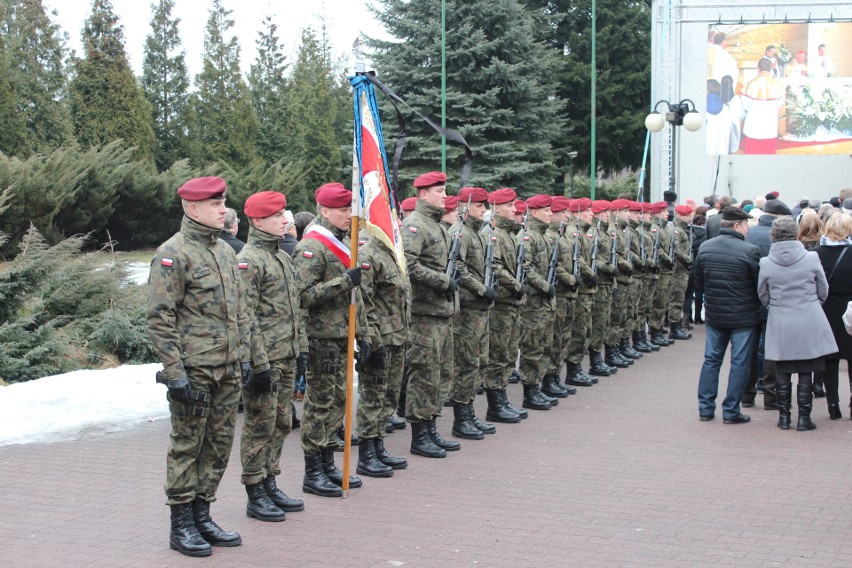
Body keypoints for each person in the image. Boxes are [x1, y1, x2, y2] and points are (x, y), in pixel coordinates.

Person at [147, 176, 251, 557]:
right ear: (193, 209)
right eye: (215, 204)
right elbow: (161, 318)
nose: (224, 210)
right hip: (195, 370)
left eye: (224, 202)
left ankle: (203, 514)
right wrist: (174, 373)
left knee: (219, 445)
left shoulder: (224, 252)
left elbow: (240, 312)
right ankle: (181, 525)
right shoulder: (173, 254)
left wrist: (245, 357)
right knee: (187, 446)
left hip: (227, 368)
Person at [293, 183, 369, 497]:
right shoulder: (313, 247)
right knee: (319, 405)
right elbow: (303, 296)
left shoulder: (341, 241)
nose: (348, 216)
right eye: (341, 210)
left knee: (338, 402)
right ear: (325, 211)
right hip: (320, 337)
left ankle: (327, 464)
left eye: (349, 209)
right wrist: (342, 282)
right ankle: (313, 472)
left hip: (339, 336)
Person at [236, 191, 306, 521]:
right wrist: (258, 363)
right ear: (256, 221)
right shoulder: (250, 260)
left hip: (287, 354)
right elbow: (244, 315)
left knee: (280, 422)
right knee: (259, 426)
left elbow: (294, 309)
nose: (284, 220)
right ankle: (254, 490)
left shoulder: (280, 256)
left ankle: (270, 480)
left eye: (284, 215)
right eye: (276, 215)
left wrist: (301, 349)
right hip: (267, 359)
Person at [402, 171, 461, 458]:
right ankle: (419, 435)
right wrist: (442, 281)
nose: (445, 195)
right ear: (424, 194)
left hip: (441, 312)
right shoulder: (415, 225)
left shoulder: (438, 226)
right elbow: (408, 265)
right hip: (424, 314)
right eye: (440, 191)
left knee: (440, 373)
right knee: (423, 374)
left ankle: (431, 428)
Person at [758, 216, 837, 431]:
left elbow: (762, 294)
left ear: (773, 235)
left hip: (781, 318)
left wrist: (776, 306)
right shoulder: (811, 258)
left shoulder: (766, 262)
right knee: (806, 368)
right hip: (808, 316)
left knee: (783, 368)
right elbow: (823, 288)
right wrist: (812, 303)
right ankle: (804, 419)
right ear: (796, 233)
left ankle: (784, 417)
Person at [356, 208, 411, 476]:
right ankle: (367, 455)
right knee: (373, 397)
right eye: (393, 218)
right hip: (380, 339)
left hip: (398, 335)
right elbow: (364, 303)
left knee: (388, 396)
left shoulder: (394, 252)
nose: (399, 223)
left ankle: (379, 447)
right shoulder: (368, 255)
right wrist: (371, 340)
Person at [695, 206, 761, 424]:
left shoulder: (705, 247)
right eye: (745, 225)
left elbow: (700, 282)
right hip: (743, 317)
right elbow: (757, 285)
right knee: (739, 362)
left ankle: (705, 408)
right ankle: (731, 410)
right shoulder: (749, 251)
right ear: (736, 225)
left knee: (711, 360)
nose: (747, 230)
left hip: (715, 314)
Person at [449, 186, 498, 437]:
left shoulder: (475, 233)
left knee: (479, 362)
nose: (485, 211)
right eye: (480, 206)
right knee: (466, 364)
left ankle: (469, 413)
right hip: (467, 309)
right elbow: (456, 264)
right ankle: (461, 419)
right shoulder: (460, 232)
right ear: (466, 208)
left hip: (479, 309)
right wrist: (481, 288)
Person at [480, 188, 529, 424]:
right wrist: (515, 284)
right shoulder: (494, 234)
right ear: (497, 208)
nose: (514, 210)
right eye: (509, 206)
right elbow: (496, 267)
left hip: (511, 303)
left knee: (509, 354)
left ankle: (503, 400)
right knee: (498, 355)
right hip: (500, 302)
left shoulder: (509, 234)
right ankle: (495, 404)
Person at [743, 199, 792, 410]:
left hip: (747, 300)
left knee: (749, 348)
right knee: (771, 349)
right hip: (770, 300)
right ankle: (770, 395)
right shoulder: (774, 238)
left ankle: (747, 394)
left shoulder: (749, 233)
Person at [517, 194, 560, 409]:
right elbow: (525, 268)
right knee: (532, 349)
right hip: (533, 304)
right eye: (546, 210)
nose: (551, 213)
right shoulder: (527, 237)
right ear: (534, 212)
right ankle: (530, 392)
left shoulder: (543, 236)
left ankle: (539, 387)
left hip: (545, 303)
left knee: (544, 347)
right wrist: (545, 286)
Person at [814, 213, 852, 420]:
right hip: (850, 312)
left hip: (825, 310)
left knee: (829, 359)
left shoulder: (815, 253)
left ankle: (833, 404)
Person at [742, 58, 785, 154]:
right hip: (770, 123)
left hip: (754, 123)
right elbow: (780, 103)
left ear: (758, 69)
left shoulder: (750, 84)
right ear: (770, 69)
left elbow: (745, 104)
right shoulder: (777, 85)